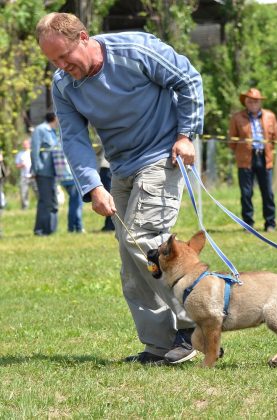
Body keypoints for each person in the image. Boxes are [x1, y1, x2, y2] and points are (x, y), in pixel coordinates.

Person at [36, 12, 204, 365]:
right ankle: (160, 345)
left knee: (142, 238)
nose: (61, 66)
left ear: (83, 38)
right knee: (131, 260)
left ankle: (195, 327)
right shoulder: (64, 85)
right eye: (53, 61)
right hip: (121, 167)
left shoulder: (136, 50)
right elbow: (74, 138)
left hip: (163, 154)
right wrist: (93, 185)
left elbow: (187, 79)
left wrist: (187, 135)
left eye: (64, 56)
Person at [229, 87, 277, 232]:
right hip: (245, 159)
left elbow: (274, 137)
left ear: (260, 102)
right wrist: (241, 151)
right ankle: (248, 224)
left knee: (268, 192)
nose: (253, 104)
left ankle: (270, 223)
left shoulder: (270, 116)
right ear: (246, 102)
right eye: (250, 101)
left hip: (264, 157)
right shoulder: (237, 118)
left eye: (256, 101)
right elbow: (232, 141)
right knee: (246, 193)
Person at [31, 112, 59, 236]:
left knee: (52, 201)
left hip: (53, 172)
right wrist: (36, 170)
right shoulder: (40, 130)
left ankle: (50, 229)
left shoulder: (53, 132)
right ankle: (41, 230)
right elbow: (35, 151)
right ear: (54, 118)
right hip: (43, 172)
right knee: (45, 201)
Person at [53, 145, 84, 233]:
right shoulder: (70, 145)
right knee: (77, 204)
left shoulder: (56, 145)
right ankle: (77, 227)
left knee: (73, 203)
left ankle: (73, 227)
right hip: (72, 177)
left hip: (62, 179)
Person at [95, 142, 115, 232]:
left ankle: (110, 225)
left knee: (109, 196)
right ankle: (109, 224)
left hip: (106, 167)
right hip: (110, 167)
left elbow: (97, 149)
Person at [15, 137, 38, 209]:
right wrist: (21, 165)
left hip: (33, 176)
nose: (25, 145)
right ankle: (25, 207)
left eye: (26, 144)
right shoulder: (19, 154)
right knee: (24, 193)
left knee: (37, 191)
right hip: (24, 176)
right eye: (24, 144)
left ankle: (41, 206)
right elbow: (17, 165)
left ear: (29, 144)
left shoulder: (33, 152)